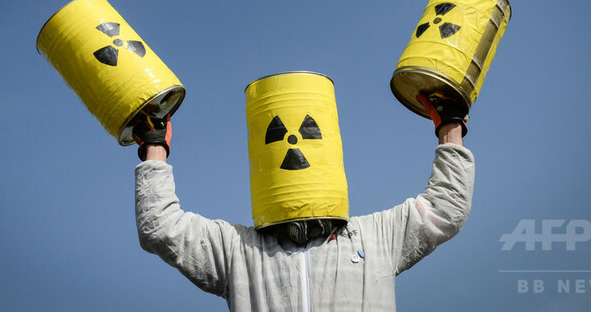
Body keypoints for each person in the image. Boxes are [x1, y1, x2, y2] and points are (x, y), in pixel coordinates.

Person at [132, 94, 474, 311]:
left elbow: (445, 208)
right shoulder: (239, 251)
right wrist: (155, 146)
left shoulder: (375, 238)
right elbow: (160, 228)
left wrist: (450, 126)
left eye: (308, 134)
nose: (292, 145)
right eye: (277, 135)